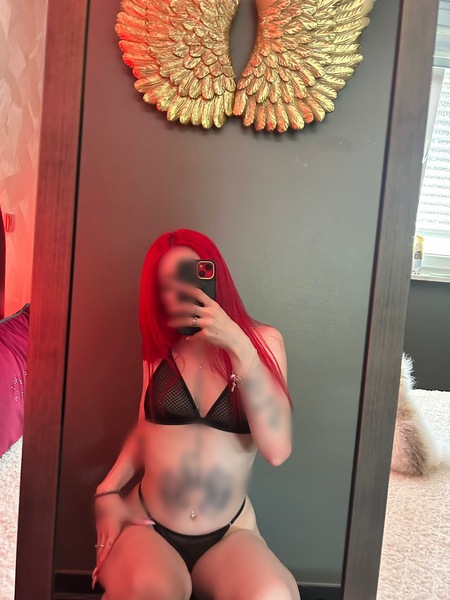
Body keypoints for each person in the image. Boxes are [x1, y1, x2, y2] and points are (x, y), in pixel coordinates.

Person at [94, 229, 300, 600]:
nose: (179, 292)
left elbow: (277, 450)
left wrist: (238, 345)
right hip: (149, 524)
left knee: (271, 595)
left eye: (190, 275)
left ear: (214, 275)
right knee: (149, 591)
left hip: (229, 532)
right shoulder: (160, 351)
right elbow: (145, 433)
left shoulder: (264, 342)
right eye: (166, 285)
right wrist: (106, 489)